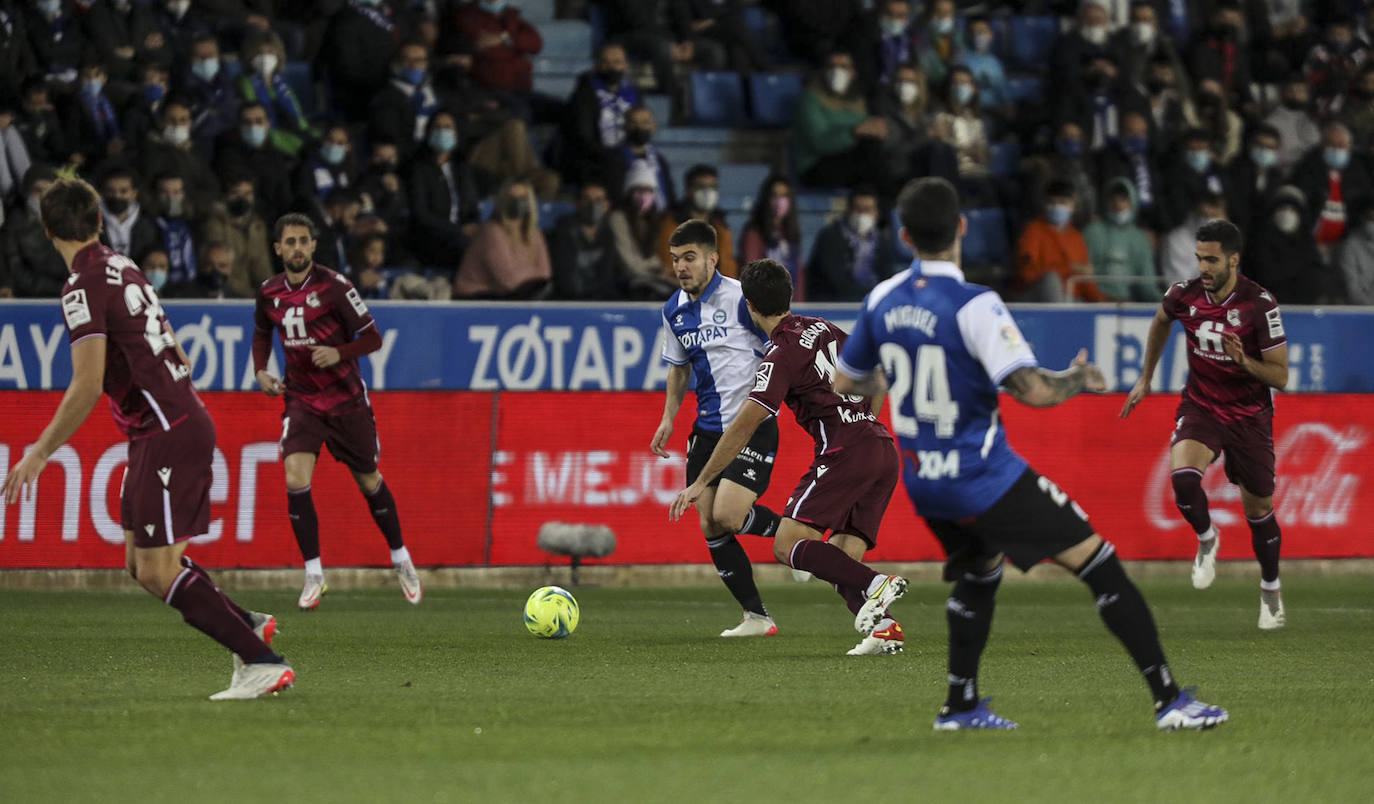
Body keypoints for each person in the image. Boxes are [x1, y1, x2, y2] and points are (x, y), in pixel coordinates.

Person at [835, 175, 1228, 730]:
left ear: (903, 237)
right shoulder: (974, 305)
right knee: (1102, 567)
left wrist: (898, 373)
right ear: (962, 229)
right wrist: (1077, 379)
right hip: (982, 476)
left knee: (980, 572)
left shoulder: (881, 299)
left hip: (924, 480)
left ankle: (960, 706)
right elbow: (1032, 391)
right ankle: (1171, 702)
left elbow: (845, 383)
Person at [1, 177, 291, 700]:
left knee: (158, 569)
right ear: (97, 222)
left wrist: (40, 451)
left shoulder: (80, 286)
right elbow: (167, 337)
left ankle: (262, 661)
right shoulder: (122, 264)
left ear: (47, 231)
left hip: (165, 430)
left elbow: (87, 383)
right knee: (139, 562)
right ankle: (246, 623)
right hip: (163, 425)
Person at [668, 255, 908, 654]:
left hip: (846, 451)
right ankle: (884, 629)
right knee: (841, 557)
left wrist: (702, 481)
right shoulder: (825, 328)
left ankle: (876, 584)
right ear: (789, 294)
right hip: (881, 447)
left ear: (749, 305)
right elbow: (879, 375)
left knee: (787, 545)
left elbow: (745, 425)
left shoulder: (780, 353)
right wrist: (863, 419)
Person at [1121, 218, 1289, 631]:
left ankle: (1270, 588)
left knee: (1259, 509)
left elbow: (1281, 377)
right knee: (1182, 481)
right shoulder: (1184, 295)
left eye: (1212, 260)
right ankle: (1207, 537)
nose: (1204, 268)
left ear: (1233, 259)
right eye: (1199, 259)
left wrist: (1244, 362)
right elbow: (1161, 321)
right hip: (1202, 406)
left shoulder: (1260, 304)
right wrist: (1146, 376)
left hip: (1249, 418)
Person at [252, 213, 423, 610]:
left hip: (346, 400)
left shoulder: (335, 286)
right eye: (289, 241)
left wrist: (339, 352)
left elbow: (373, 337)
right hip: (302, 400)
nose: (297, 248)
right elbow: (261, 331)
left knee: (369, 480)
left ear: (313, 246)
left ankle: (401, 558)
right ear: (278, 248)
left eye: (303, 241)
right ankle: (314, 574)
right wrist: (261, 369)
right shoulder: (268, 292)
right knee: (295, 478)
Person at [651, 222, 788, 638]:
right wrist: (668, 416)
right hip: (707, 429)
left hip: (751, 425)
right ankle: (757, 618)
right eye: (675, 259)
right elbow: (679, 368)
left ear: (713, 258)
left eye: (689, 257)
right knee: (710, 523)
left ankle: (799, 539)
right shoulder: (674, 310)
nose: (681, 267)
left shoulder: (742, 300)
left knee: (728, 514)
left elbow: (779, 342)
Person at [793, 52, 887, 191]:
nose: (837, 72)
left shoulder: (857, 101)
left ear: (853, 73)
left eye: (844, 67)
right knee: (870, 158)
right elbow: (819, 143)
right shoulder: (810, 100)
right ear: (823, 71)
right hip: (817, 165)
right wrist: (853, 132)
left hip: (851, 161)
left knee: (875, 151)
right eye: (832, 66)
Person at [454, 180, 551, 299]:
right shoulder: (492, 231)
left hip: (511, 295)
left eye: (523, 197)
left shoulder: (535, 233)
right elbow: (507, 281)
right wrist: (532, 276)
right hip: (475, 296)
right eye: (512, 197)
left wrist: (526, 278)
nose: (518, 202)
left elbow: (545, 274)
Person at [562, 43, 640, 187]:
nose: (611, 67)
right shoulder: (585, 94)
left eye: (617, 62)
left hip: (626, 153)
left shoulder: (633, 92)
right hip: (594, 160)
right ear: (596, 65)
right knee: (616, 164)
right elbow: (583, 137)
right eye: (605, 62)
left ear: (626, 65)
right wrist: (614, 155)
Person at [1015, 180, 1103, 302]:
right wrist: (1069, 268)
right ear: (1044, 204)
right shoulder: (1033, 231)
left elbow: (1085, 279)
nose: (1056, 207)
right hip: (1036, 297)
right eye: (1052, 203)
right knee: (1052, 280)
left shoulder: (1077, 237)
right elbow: (1027, 274)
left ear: (1073, 205)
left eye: (1062, 203)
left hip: (1070, 298)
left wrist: (1101, 302)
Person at [805, 186, 897, 302]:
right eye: (858, 210)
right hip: (835, 303)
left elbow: (887, 277)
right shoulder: (830, 236)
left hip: (872, 301)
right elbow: (837, 282)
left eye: (867, 210)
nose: (863, 215)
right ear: (848, 210)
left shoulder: (882, 240)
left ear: (877, 213)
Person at [1242, 186, 1329, 305]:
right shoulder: (1256, 247)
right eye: (1282, 208)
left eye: (1293, 210)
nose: (1287, 213)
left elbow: (1315, 284)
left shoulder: (1309, 247)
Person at [656, 164, 736, 279]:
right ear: (688, 190)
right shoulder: (671, 224)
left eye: (713, 187)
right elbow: (669, 266)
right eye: (701, 187)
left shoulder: (721, 226)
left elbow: (728, 267)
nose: (708, 193)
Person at [1083, 178, 1158, 301]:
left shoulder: (1140, 239)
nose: (1119, 205)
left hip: (1127, 302)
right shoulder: (1092, 232)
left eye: (1124, 199)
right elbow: (1084, 274)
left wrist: (1167, 304)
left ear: (1133, 202)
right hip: (1094, 302)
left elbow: (1147, 285)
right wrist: (1099, 299)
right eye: (1114, 199)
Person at [550, 181, 623, 301]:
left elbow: (607, 275)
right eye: (586, 199)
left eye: (598, 200)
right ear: (577, 203)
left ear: (607, 205)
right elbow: (565, 278)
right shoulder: (563, 231)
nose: (593, 205)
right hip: (569, 300)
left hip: (601, 299)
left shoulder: (609, 233)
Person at [738, 173, 802, 298]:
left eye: (784, 196)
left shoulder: (791, 234)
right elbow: (751, 276)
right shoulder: (754, 233)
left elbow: (799, 276)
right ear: (766, 198)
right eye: (775, 195)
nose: (779, 201)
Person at [1161, 190, 1227, 286]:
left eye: (1215, 215)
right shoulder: (1177, 241)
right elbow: (1179, 286)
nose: (1211, 215)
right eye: (1206, 215)